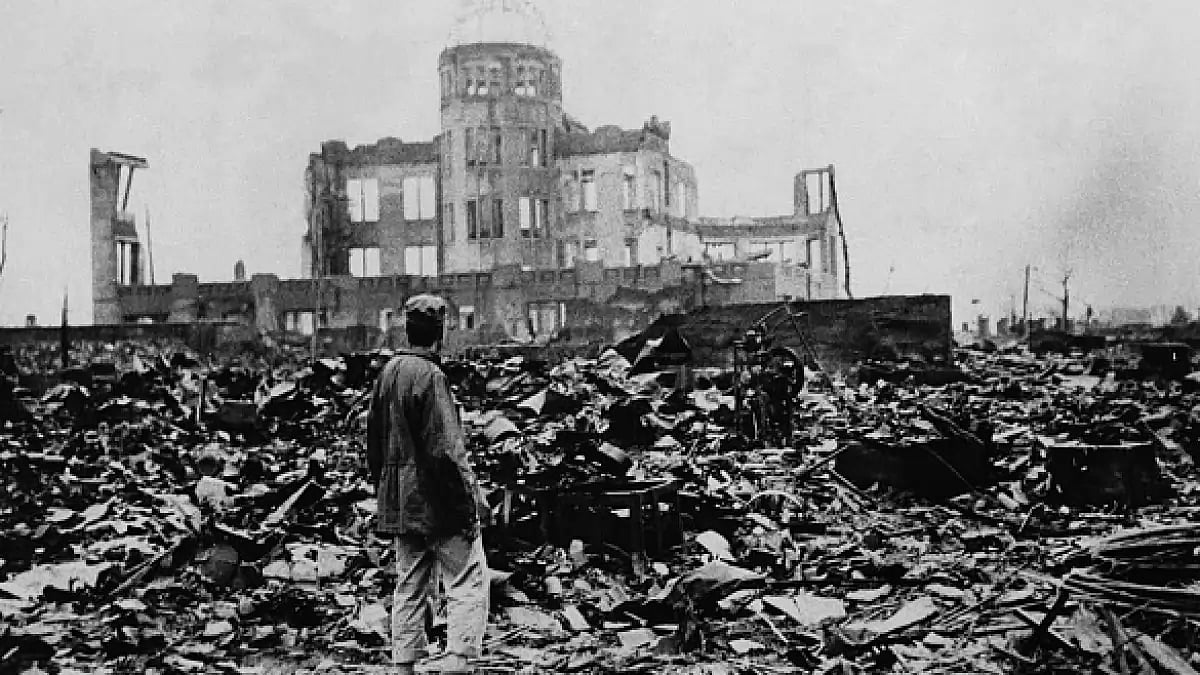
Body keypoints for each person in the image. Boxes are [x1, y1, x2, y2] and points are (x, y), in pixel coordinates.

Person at [367, 294, 488, 674]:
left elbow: (373, 441)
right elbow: (446, 451)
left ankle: (405, 663)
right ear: (440, 333)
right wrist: (467, 503)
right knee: (468, 576)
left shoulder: (388, 373)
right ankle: (458, 659)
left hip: (400, 501)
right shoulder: (431, 376)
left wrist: (386, 491)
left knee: (410, 582)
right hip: (435, 501)